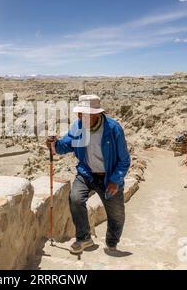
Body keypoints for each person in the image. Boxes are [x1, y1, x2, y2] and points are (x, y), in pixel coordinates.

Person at [46, 94, 131, 254]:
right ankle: (84, 238)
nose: (80, 117)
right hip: (87, 173)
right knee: (75, 198)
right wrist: (55, 144)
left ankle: (112, 243)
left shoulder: (113, 129)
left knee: (116, 214)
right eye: (79, 114)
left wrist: (115, 180)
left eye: (84, 114)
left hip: (109, 177)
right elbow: (67, 144)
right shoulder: (78, 126)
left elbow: (124, 160)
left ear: (97, 114)